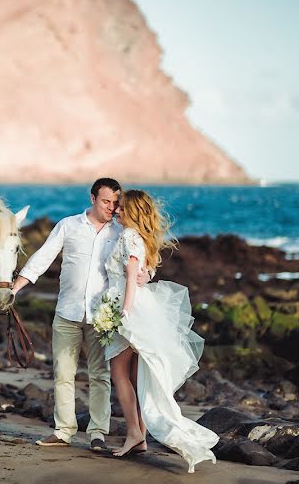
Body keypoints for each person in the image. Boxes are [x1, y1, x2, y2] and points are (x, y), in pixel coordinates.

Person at [12, 177, 140, 452]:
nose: (111, 207)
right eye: (106, 201)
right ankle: (63, 431)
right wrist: (17, 286)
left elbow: (139, 261)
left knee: (100, 376)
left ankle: (97, 433)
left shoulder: (121, 231)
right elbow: (44, 257)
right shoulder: (68, 225)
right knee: (63, 373)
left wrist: (146, 275)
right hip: (67, 312)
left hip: (102, 318)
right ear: (92, 198)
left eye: (115, 203)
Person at [105, 189, 218, 473]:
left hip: (128, 307)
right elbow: (143, 270)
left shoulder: (129, 236)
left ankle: (134, 432)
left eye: (122, 209)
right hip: (140, 306)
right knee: (135, 373)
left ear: (133, 212)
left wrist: (125, 313)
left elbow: (132, 275)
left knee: (118, 371)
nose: (117, 212)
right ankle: (139, 435)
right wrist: (144, 280)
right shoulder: (141, 238)